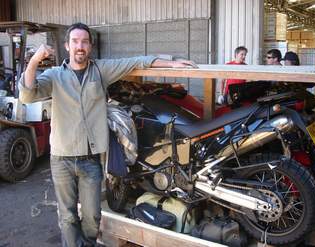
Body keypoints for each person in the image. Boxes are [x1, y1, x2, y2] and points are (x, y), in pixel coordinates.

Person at [19, 22, 196, 247]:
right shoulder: (55, 76)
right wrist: (34, 60)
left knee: (93, 218)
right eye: (75, 41)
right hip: (62, 159)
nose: (79, 46)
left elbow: (135, 62)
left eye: (84, 41)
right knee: (68, 216)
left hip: (91, 159)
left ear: (90, 47)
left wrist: (172, 63)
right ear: (67, 46)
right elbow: (27, 95)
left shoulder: (100, 71)